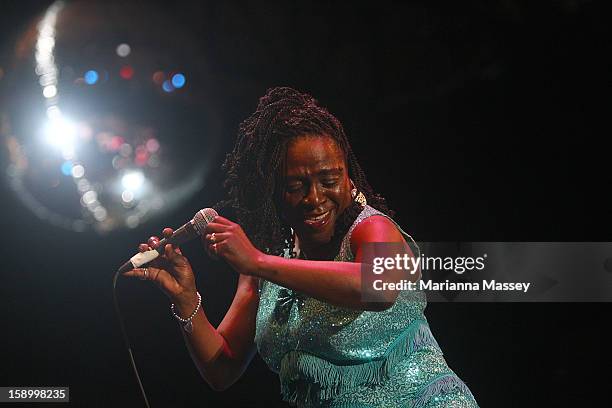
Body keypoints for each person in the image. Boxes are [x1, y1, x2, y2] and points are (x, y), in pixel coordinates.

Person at [123, 87, 479, 407]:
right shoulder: (270, 261)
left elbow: (378, 288)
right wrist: (186, 299)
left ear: (348, 177)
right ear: (272, 191)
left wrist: (257, 261)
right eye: (296, 185)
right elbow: (222, 368)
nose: (315, 198)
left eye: (329, 180)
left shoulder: (372, 229)